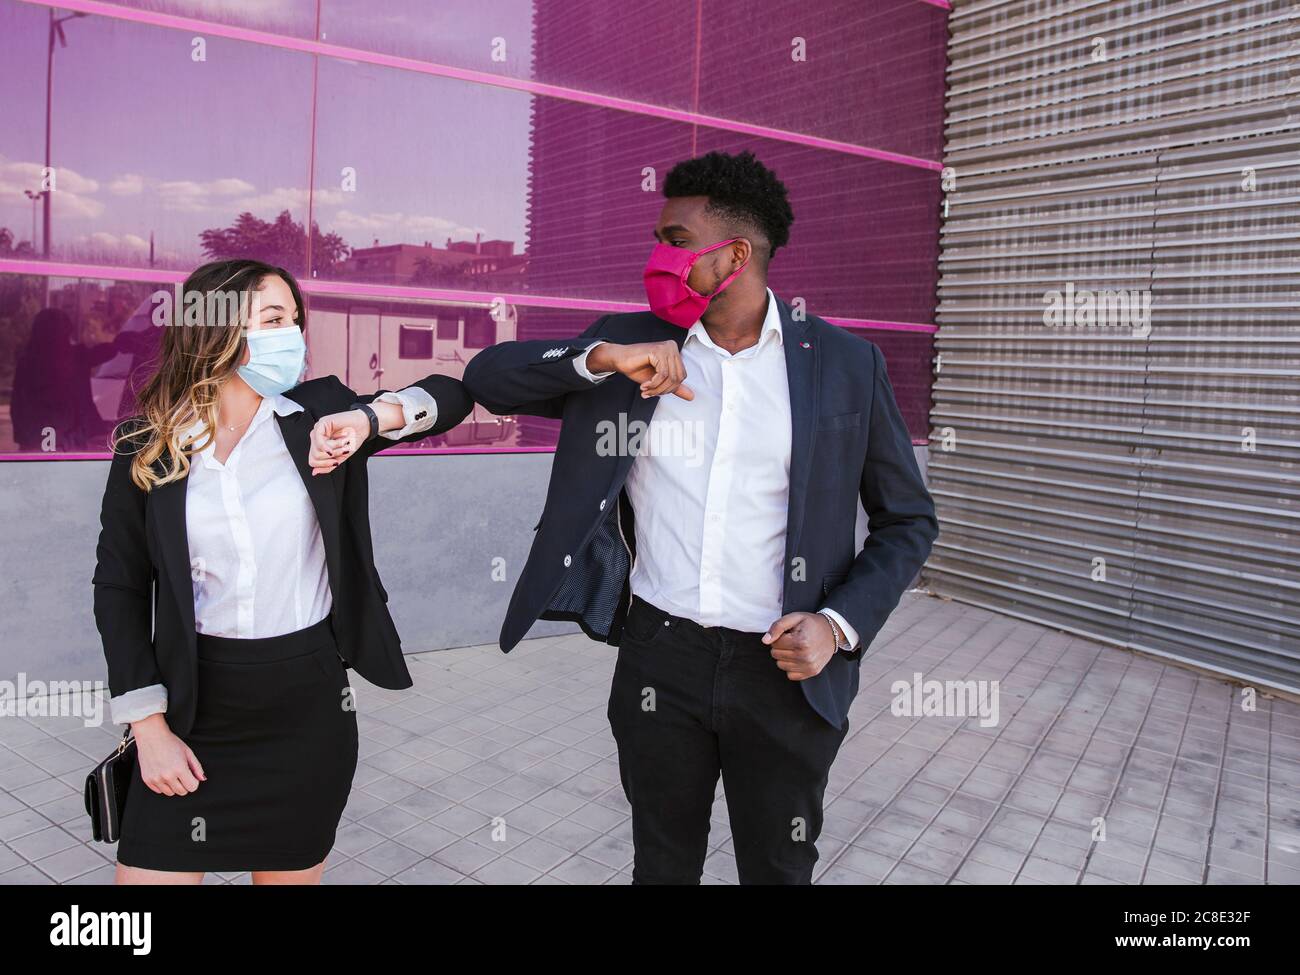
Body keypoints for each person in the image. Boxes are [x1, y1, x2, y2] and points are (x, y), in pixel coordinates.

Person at [461, 150, 939, 884]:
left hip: (784, 670)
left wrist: (837, 625)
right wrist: (600, 360)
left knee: (779, 868)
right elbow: (487, 376)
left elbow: (907, 519)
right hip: (661, 656)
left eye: (675, 239)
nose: (658, 255)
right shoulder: (632, 345)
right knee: (661, 864)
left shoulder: (844, 363)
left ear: (736, 254)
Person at [93, 258, 472, 884]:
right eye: (273, 319)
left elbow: (453, 394)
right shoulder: (148, 442)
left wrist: (368, 420)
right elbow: (120, 589)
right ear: (211, 327)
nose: (291, 335)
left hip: (306, 706)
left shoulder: (321, 416)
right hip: (191, 706)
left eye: (294, 320)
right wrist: (147, 726)